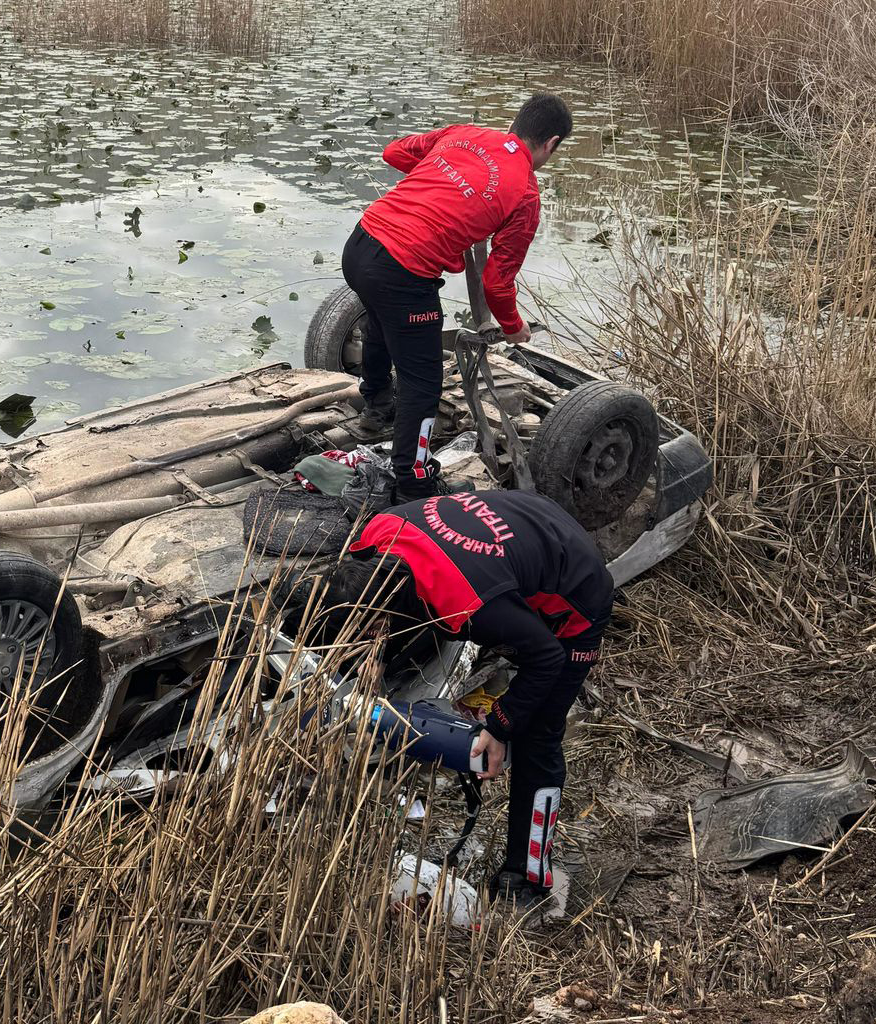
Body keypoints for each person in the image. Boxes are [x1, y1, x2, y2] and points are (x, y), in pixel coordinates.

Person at [335, 488, 613, 908]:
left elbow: (548, 658)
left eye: (375, 629)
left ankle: (528, 875)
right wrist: (369, 656)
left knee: (537, 736)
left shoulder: (467, 602)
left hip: (576, 590)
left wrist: (500, 725)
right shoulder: (375, 531)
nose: (372, 639)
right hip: (525, 519)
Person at [341, 94, 573, 502]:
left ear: (515, 122)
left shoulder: (464, 134)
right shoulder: (525, 194)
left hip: (360, 245)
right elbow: (496, 282)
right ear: (551, 144)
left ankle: (377, 407)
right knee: (423, 381)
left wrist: (447, 184)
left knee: (379, 325)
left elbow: (394, 152)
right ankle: (413, 483)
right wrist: (514, 327)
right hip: (402, 271)